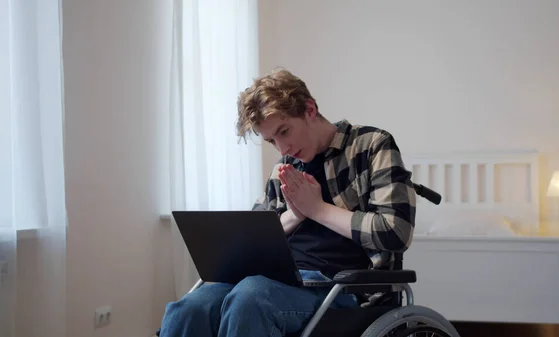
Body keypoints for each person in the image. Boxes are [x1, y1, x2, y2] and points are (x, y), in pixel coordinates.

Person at [158, 68, 417, 337]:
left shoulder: (371, 146)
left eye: (284, 131)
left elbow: (395, 232)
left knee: (250, 298)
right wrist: (294, 215)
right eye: (272, 141)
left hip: (342, 288)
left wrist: (317, 209)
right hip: (276, 280)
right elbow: (253, 237)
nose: (282, 149)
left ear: (310, 110)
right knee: (189, 308)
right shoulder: (284, 167)